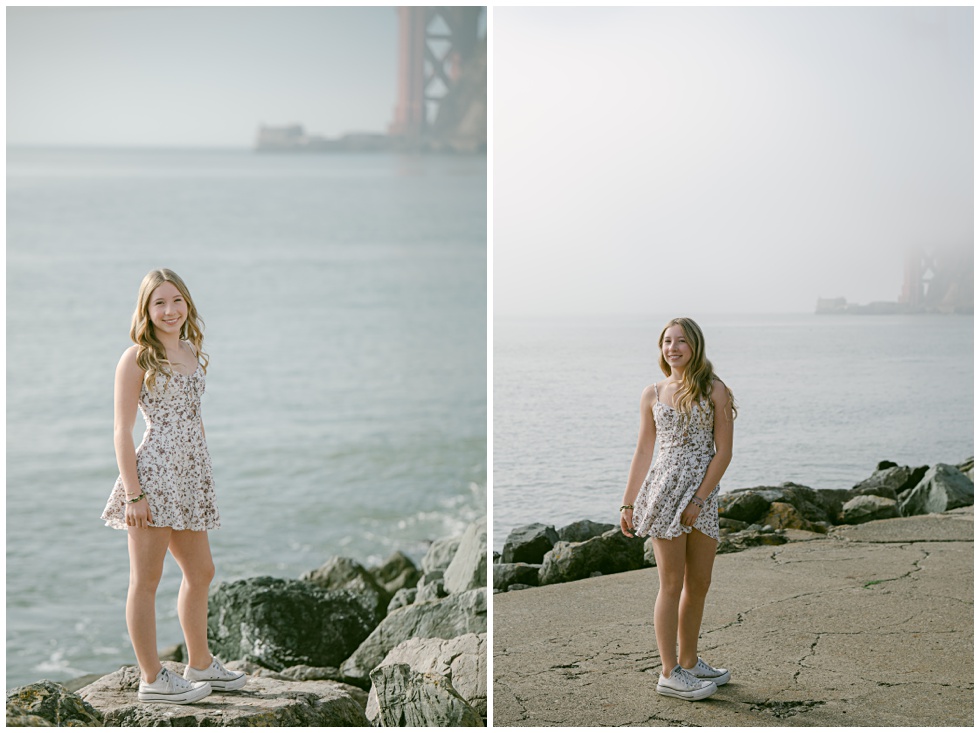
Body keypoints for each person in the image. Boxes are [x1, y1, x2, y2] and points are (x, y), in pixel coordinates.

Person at [101, 268, 246, 704]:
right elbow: (121, 432)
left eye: (176, 300)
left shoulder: (190, 349)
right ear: (146, 310)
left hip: (189, 477)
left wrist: (201, 472)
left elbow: (193, 415)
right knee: (146, 580)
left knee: (201, 572)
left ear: (187, 304)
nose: (169, 310)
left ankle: (199, 663)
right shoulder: (137, 358)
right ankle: (151, 678)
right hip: (153, 477)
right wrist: (134, 494)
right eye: (159, 303)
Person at [620, 317, 736, 701]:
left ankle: (689, 661)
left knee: (699, 583)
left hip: (701, 496)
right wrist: (628, 501)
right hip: (664, 493)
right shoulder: (652, 393)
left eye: (681, 341)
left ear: (695, 346)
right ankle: (669, 672)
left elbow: (724, 453)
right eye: (667, 341)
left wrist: (700, 499)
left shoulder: (715, 390)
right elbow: (642, 451)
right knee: (671, 584)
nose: (673, 348)